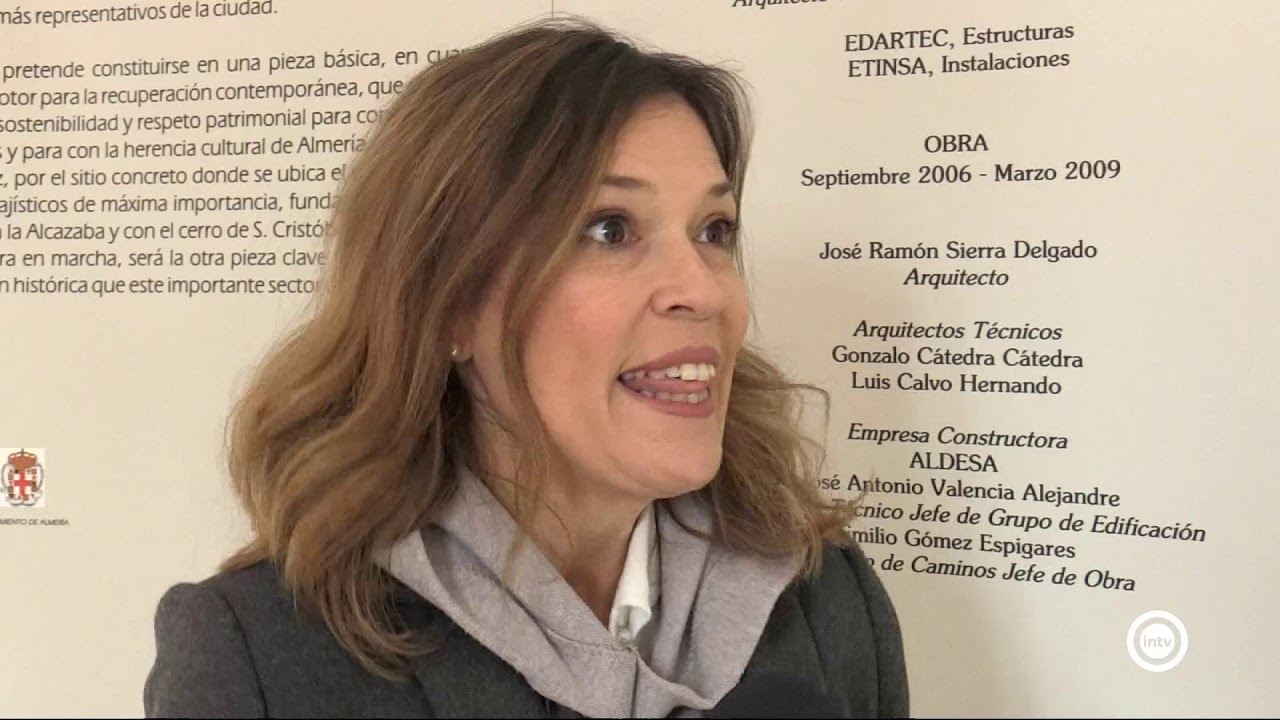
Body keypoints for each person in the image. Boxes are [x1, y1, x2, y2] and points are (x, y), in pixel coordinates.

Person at [143, 17, 909, 719]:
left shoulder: (830, 602)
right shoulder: (260, 659)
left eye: (714, 230)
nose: (705, 289)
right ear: (449, 300)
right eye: (610, 229)